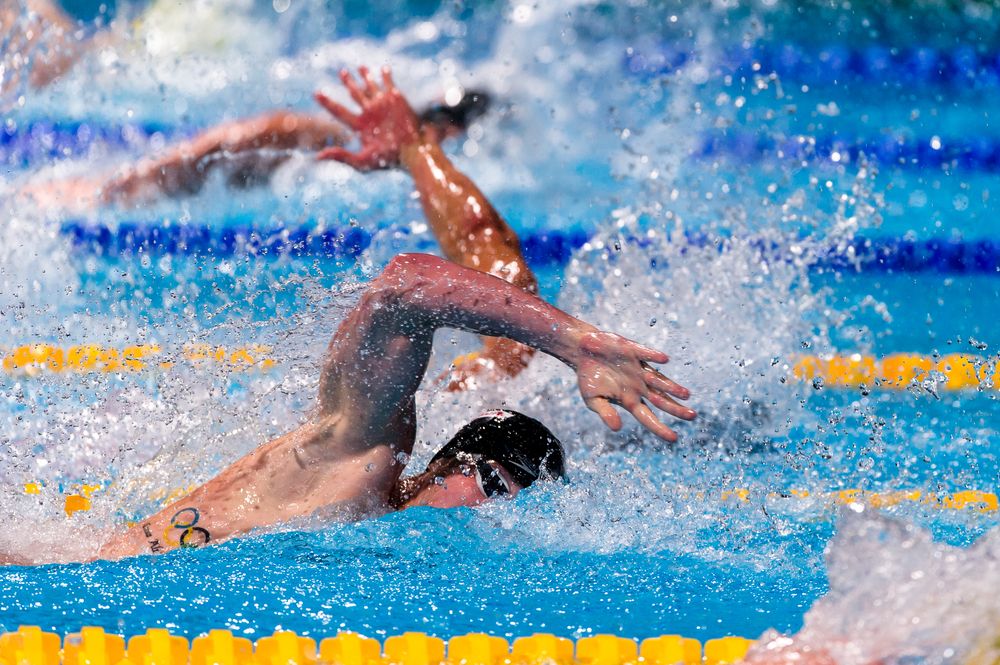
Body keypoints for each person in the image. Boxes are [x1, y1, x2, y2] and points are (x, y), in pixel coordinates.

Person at [0, 67, 696, 565]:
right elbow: (413, 283)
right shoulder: (359, 464)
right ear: (442, 462)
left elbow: (493, 263)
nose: (489, 511)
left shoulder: (387, 514)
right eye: (488, 484)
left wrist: (420, 154)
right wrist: (573, 341)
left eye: (510, 502)